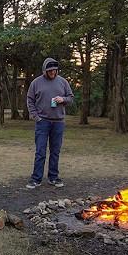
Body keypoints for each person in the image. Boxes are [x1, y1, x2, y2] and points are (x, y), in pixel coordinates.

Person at [25, 58, 74, 189]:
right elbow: (30, 100)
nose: (52, 72)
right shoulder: (36, 83)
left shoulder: (63, 82)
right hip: (43, 122)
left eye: (54, 70)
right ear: (44, 70)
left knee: (55, 151)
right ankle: (36, 179)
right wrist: (36, 116)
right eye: (50, 71)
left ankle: (53, 177)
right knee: (40, 151)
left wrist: (62, 99)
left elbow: (71, 98)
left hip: (58, 122)